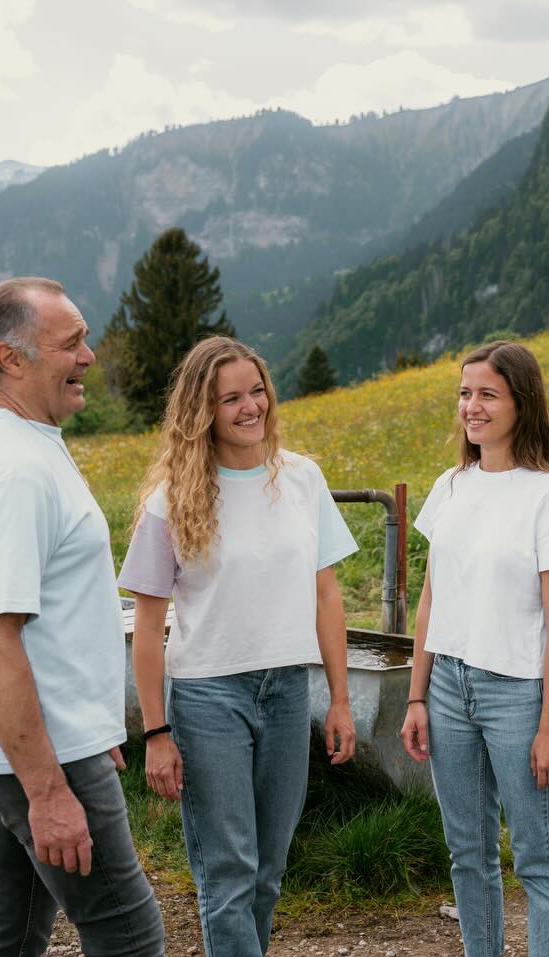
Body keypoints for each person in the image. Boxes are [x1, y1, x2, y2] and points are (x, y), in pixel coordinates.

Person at [0, 277, 165, 956]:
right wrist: (50, 789)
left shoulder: (19, 444)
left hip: (37, 740)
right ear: (12, 359)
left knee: (9, 939)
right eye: (72, 342)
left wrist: (92, 719)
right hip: (41, 754)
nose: (89, 355)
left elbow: (47, 615)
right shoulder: (13, 471)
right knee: (128, 934)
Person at [118, 336, 358, 957]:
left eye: (257, 391)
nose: (250, 406)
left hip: (287, 692)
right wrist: (156, 732)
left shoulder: (302, 478)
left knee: (268, 870)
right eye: (231, 398)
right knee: (228, 875)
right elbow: (147, 626)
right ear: (203, 411)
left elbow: (327, 597)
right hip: (208, 699)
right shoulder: (171, 498)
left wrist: (339, 698)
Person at [398, 340, 549, 957]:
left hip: (519, 695)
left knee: (539, 858)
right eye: (464, 393)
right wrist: (416, 695)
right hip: (448, 687)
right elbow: (431, 598)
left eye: (486, 395)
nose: (471, 407)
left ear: (520, 402)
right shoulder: (450, 485)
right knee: (468, 854)